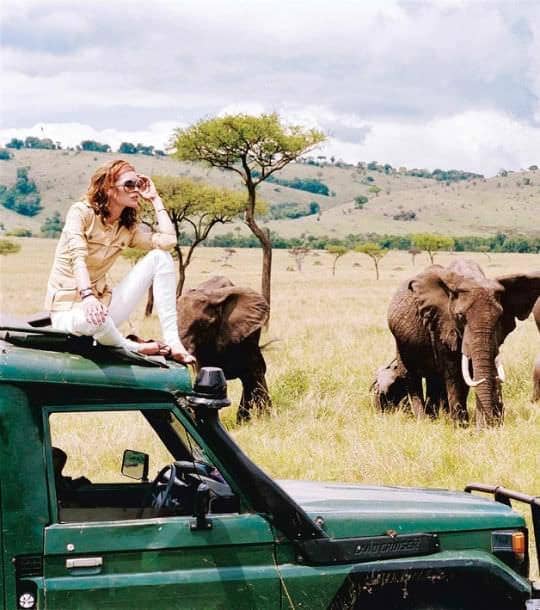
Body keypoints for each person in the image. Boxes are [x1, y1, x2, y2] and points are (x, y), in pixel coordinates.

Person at [45, 159, 195, 363]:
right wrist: (88, 297)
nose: (136, 190)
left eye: (138, 184)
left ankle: (173, 342)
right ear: (108, 188)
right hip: (69, 312)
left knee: (161, 257)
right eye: (129, 184)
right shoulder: (81, 213)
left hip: (103, 307)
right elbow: (77, 258)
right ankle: (134, 347)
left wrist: (155, 199)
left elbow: (169, 241)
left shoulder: (126, 228)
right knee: (96, 319)